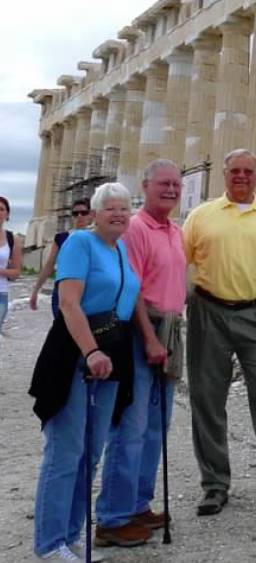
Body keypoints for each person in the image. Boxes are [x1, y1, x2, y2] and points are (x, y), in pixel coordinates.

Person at [182, 148, 256, 516]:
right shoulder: (200, 216)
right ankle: (215, 485)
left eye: (249, 171)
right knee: (207, 399)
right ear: (224, 174)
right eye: (235, 170)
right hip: (208, 313)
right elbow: (177, 261)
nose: (242, 176)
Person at [29, 183, 142, 562]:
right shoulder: (80, 242)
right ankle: (49, 543)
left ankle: (70, 534)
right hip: (76, 353)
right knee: (66, 450)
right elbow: (68, 303)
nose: (118, 214)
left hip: (111, 355)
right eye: (109, 208)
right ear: (94, 213)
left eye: (124, 208)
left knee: (91, 450)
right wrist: (90, 350)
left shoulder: (121, 248)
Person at [95, 160, 184, 547]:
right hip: (140, 332)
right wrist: (149, 339)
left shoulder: (175, 231)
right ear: (145, 186)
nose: (171, 190)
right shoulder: (135, 228)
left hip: (169, 330)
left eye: (176, 184)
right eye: (163, 183)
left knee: (155, 426)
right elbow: (129, 290)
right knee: (130, 426)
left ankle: (137, 503)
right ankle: (112, 517)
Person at [30, 198, 94, 317]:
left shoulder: (95, 237)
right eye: (75, 213)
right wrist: (36, 290)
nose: (79, 216)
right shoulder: (62, 237)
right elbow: (49, 264)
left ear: (91, 215)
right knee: (61, 331)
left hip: (87, 292)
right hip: (62, 292)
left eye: (83, 213)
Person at [0, 196, 23, 334]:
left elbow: (16, 273)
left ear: (7, 214)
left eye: (1, 209)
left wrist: (1, 271)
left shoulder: (12, 239)